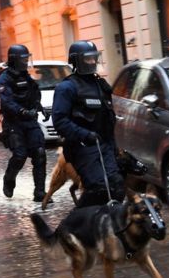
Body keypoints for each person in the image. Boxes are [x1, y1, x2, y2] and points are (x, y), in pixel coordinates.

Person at [52, 40, 124, 208]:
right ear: (77, 61)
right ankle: (79, 221)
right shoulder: (67, 88)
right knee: (98, 187)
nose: (92, 62)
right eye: (88, 59)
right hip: (82, 147)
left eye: (94, 58)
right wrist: (84, 134)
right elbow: (60, 121)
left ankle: (109, 222)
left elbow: (108, 119)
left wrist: (113, 148)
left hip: (104, 145)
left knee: (117, 186)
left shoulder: (100, 85)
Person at [0, 44, 49, 202]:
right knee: (20, 155)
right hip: (14, 123)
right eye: (24, 59)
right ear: (15, 60)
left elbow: (33, 94)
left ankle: (40, 192)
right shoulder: (4, 80)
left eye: (27, 58)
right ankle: (9, 180)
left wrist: (39, 107)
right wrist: (22, 111)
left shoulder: (26, 76)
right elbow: (7, 102)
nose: (26, 62)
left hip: (30, 122)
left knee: (39, 153)